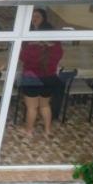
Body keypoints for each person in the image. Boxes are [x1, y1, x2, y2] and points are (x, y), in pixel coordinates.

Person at [19, 8, 64, 138]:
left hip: (31, 78)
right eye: (32, 16)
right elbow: (59, 55)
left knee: (32, 107)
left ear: (43, 18)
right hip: (49, 78)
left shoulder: (30, 44)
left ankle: (29, 131)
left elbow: (23, 57)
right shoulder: (55, 45)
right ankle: (47, 131)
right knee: (44, 105)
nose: (34, 18)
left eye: (37, 16)